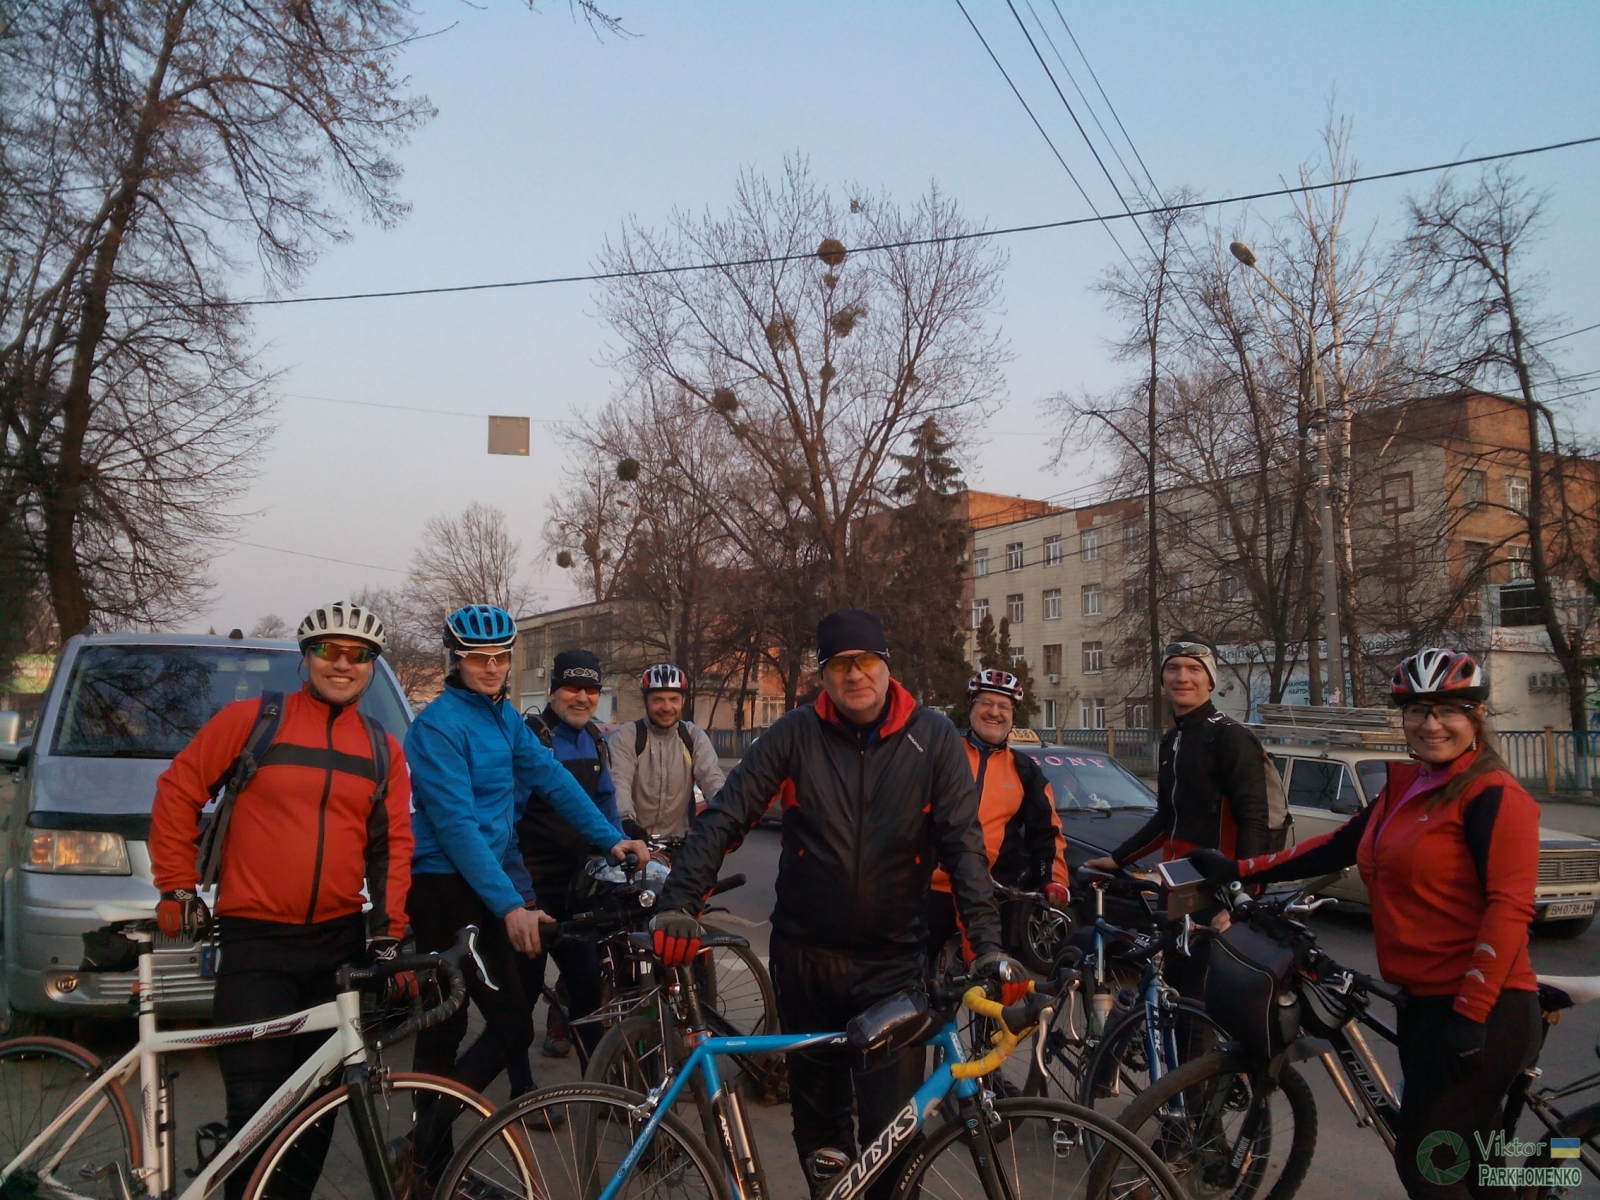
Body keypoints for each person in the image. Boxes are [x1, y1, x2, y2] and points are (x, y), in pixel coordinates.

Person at [652, 607, 1020, 1198]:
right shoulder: (794, 733)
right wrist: (679, 901)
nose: (855, 674)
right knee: (822, 1134)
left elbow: (964, 850)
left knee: (892, 1137)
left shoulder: (932, 739)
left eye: (866, 660)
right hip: (806, 964)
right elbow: (725, 817)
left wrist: (988, 947)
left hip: (893, 966)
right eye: (840, 664)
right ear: (823, 674)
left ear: (886, 665)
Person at [1187, 648, 1540, 1200]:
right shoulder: (1407, 786)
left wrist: (1470, 1014)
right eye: (1417, 710)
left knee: (1427, 1166)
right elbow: (1336, 846)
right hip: (1423, 1003)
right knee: (1476, 1165)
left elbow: (1509, 908)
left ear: (1476, 716)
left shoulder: (1494, 796)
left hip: (1483, 1010)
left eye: (1447, 710)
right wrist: (1239, 869)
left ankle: (1551, 1165)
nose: (1431, 724)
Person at [150, 601, 412, 1200]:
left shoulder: (382, 749)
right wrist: (176, 884)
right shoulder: (254, 721)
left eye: (358, 655)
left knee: (317, 1107)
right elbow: (178, 790)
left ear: (371, 666)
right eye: (328, 650)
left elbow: (392, 847)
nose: (342, 664)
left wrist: (388, 933)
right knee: (255, 1107)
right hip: (255, 943)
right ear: (306, 657)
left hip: (336, 945)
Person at [405, 605, 649, 1097]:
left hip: (486, 883)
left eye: (501, 656)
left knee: (514, 1025)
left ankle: (429, 1137)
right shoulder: (438, 726)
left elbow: (552, 778)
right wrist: (512, 905)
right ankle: (426, 1140)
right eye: (479, 657)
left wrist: (610, 838)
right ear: (456, 659)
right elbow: (457, 828)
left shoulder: (502, 719)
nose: (492, 667)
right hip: (443, 885)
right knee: (447, 1023)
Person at [510, 648, 623, 1066]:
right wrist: (518, 894)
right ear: (554, 689)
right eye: (573, 687)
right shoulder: (532, 739)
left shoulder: (594, 738)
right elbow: (508, 822)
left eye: (591, 689)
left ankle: (597, 1088)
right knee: (521, 999)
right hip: (532, 891)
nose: (582, 697)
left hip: (578, 892)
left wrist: (622, 847)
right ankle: (522, 1091)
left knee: (587, 993)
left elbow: (606, 804)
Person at [925, 669, 1069, 964]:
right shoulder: (940, 755)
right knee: (909, 975)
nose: (994, 712)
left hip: (989, 895)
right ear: (970, 708)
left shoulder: (1025, 770)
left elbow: (1046, 831)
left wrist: (1053, 879)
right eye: (986, 703)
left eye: (1004, 706)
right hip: (929, 890)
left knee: (992, 977)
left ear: (1013, 716)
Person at [608, 663, 726, 839]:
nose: (667, 707)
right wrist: (626, 822)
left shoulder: (693, 736)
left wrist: (726, 814)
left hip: (679, 841)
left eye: (673, 699)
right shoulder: (627, 737)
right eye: (658, 700)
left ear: (683, 701)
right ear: (645, 701)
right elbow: (618, 783)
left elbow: (712, 779)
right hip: (632, 839)